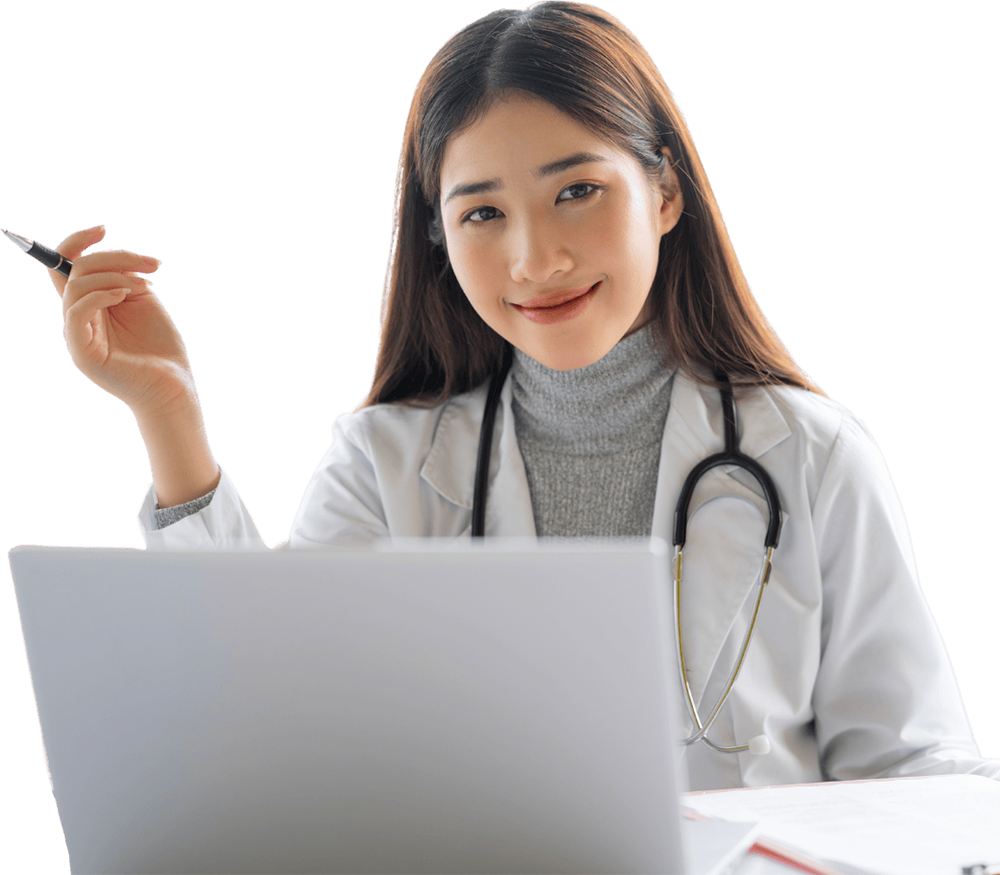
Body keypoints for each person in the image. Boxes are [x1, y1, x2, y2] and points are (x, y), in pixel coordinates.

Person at [47, 0, 998, 791]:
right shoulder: (387, 465)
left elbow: (916, 763)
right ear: (438, 235)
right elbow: (261, 727)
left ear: (665, 192)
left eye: (577, 191)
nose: (534, 259)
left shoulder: (813, 451)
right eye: (483, 213)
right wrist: (169, 413)